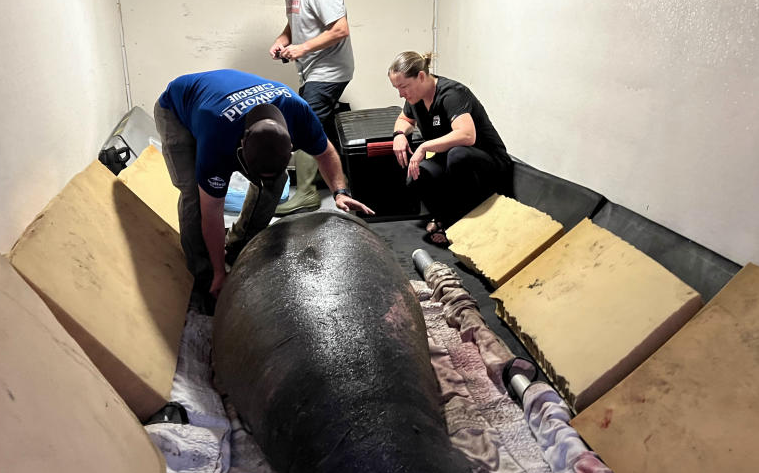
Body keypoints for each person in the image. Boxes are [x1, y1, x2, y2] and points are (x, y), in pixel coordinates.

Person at [155, 69, 373, 302]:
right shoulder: (217, 137)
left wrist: (339, 192)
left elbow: (326, 153)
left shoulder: (297, 111)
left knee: (275, 183)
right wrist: (219, 271)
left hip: (220, 101)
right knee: (194, 196)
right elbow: (211, 212)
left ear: (291, 144)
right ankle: (204, 277)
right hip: (177, 108)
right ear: (240, 149)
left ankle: (240, 245)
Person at [265, 0, 354, 216]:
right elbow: (295, 24)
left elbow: (340, 29)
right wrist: (283, 40)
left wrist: (302, 49)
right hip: (312, 68)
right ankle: (332, 177)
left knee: (304, 122)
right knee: (321, 126)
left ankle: (305, 193)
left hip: (330, 69)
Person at [389, 52, 513, 247]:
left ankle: (460, 223)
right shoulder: (415, 98)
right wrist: (399, 135)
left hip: (488, 161)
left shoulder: (451, 93)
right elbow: (404, 119)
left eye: (403, 86)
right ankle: (445, 218)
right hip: (451, 160)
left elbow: (466, 135)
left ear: (421, 76)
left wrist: (424, 146)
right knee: (416, 174)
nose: (401, 93)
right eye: (397, 88)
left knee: (458, 155)